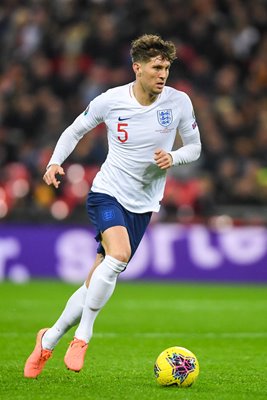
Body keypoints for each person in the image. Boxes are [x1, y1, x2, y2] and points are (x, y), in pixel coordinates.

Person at [24, 34, 201, 378]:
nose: (162, 74)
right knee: (118, 256)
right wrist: (54, 162)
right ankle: (82, 337)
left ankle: (49, 337)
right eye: (156, 67)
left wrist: (174, 157)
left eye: (166, 68)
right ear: (137, 68)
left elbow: (194, 147)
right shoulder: (111, 100)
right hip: (107, 192)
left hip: (144, 204)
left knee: (99, 276)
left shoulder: (179, 103)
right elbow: (76, 129)